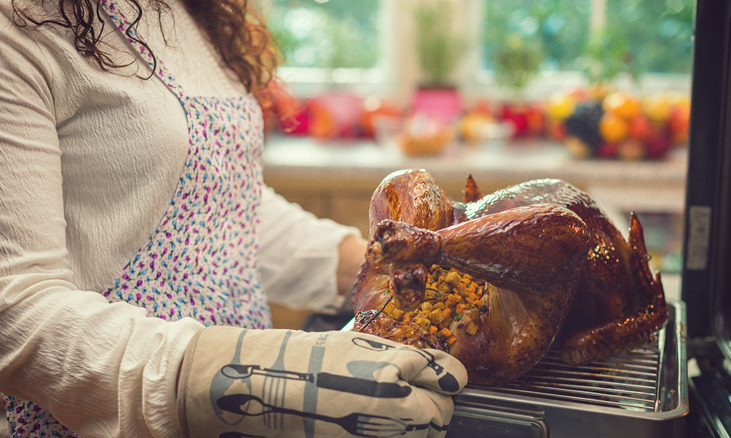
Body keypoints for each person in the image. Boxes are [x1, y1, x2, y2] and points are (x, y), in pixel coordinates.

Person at [0, 0, 468, 436]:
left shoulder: (197, 12)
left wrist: (372, 264)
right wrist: (231, 372)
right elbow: (16, 307)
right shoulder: (19, 24)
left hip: (240, 407)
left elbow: (222, 201)